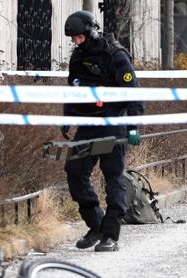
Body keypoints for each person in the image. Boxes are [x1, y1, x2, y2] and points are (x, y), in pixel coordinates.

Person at [62, 11, 144, 252]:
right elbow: (74, 90)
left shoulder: (115, 55)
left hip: (112, 123)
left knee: (112, 176)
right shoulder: (77, 57)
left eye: (78, 37)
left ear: (90, 32)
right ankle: (96, 224)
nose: (75, 42)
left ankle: (111, 235)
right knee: (75, 171)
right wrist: (67, 118)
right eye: (73, 39)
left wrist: (133, 126)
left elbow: (133, 92)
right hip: (88, 124)